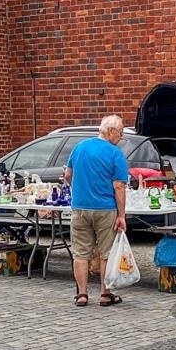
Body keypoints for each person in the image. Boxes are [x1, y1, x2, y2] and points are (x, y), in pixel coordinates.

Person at [62, 114, 130, 307]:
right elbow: (119, 186)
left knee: (80, 253)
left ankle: (82, 294)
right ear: (110, 132)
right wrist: (122, 215)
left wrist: (79, 189)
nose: (121, 137)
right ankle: (105, 294)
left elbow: (68, 174)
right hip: (105, 209)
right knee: (106, 252)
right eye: (120, 133)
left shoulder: (80, 147)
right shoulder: (115, 154)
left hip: (80, 208)